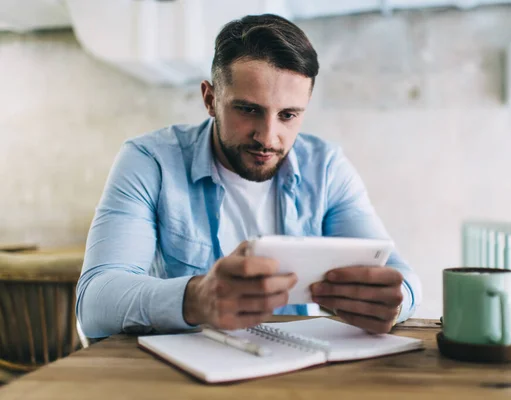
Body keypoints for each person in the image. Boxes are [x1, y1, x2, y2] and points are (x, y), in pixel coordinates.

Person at [76, 14, 421, 339]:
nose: (268, 137)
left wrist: (394, 300)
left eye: (288, 115)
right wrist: (196, 297)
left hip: (297, 366)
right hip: (183, 373)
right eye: (248, 110)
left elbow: (400, 276)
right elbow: (94, 302)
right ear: (210, 99)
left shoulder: (327, 168)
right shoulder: (150, 161)